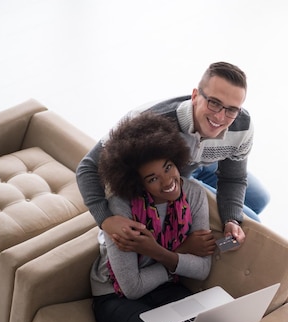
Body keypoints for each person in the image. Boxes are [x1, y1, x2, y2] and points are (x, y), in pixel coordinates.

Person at [90, 112, 288, 322]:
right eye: (153, 178)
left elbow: (201, 268)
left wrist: (158, 251)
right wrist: (174, 254)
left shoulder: (193, 195)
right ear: (138, 184)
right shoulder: (121, 209)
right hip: (114, 301)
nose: (167, 182)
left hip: (164, 289)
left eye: (168, 168)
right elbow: (132, 287)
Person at [77, 61, 269, 256]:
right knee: (255, 222)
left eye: (231, 109)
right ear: (195, 96)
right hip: (175, 172)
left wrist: (232, 219)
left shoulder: (242, 126)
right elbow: (88, 167)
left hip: (205, 161)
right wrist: (105, 219)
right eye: (214, 103)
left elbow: (233, 178)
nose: (220, 117)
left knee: (260, 199)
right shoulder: (147, 123)